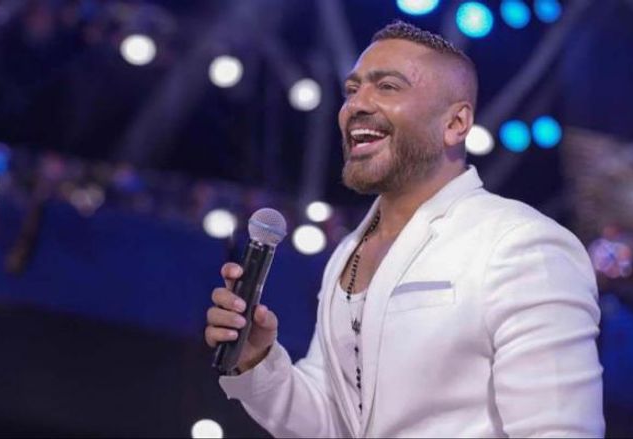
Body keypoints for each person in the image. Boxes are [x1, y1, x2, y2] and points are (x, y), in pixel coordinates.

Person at [205, 21, 604, 438]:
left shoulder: (520, 245)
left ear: (456, 123)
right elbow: (335, 421)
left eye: (388, 87)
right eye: (352, 89)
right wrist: (257, 361)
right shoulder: (348, 253)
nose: (357, 104)